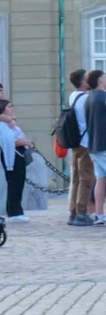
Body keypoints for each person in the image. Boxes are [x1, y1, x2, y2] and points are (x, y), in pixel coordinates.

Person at [0, 100, 31, 222]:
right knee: (14, 184)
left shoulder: (10, 124)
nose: (12, 109)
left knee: (19, 183)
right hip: (12, 156)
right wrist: (21, 142)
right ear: (3, 110)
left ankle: (17, 211)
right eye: (9, 107)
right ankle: (14, 212)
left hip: (18, 155)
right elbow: (7, 142)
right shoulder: (0, 125)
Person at [66, 70, 94, 226]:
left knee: (76, 178)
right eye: (87, 79)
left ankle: (73, 211)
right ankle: (81, 212)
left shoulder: (73, 96)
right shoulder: (85, 98)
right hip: (86, 143)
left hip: (76, 142)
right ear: (83, 82)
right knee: (86, 178)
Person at [87, 69, 106, 225]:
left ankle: (100, 214)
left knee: (101, 180)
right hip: (104, 144)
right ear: (100, 80)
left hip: (93, 145)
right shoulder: (103, 97)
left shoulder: (89, 97)